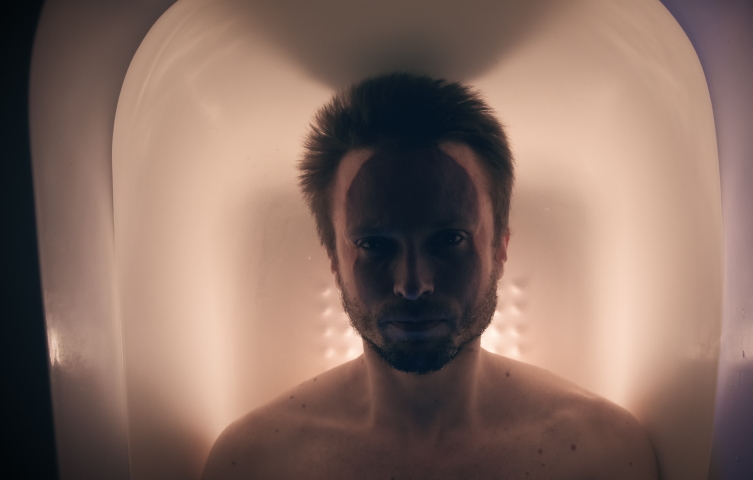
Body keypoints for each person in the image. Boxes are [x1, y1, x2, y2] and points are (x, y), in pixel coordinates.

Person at [202, 72, 658, 479]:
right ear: (334, 258)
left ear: (500, 247)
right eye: (375, 245)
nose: (414, 284)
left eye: (449, 240)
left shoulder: (600, 455)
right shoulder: (255, 462)